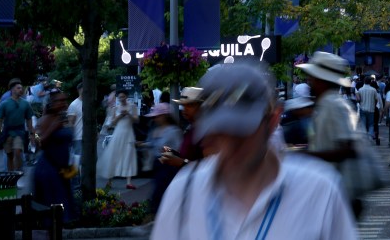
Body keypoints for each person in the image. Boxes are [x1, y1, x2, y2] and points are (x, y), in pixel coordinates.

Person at [151, 62, 356, 240]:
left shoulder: (319, 192)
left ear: (274, 120)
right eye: (218, 132)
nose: (228, 147)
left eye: (241, 132)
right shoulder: (183, 194)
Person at [297, 51, 365, 214]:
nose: (309, 82)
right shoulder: (326, 104)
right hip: (328, 189)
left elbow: (350, 148)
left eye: (312, 77)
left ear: (322, 81)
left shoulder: (333, 105)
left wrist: (308, 156)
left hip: (337, 191)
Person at [32, 88, 78, 223]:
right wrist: (53, 127)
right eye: (60, 101)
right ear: (51, 103)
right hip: (48, 171)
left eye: (65, 100)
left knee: (61, 212)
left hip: (61, 170)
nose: (64, 103)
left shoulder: (61, 118)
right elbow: (38, 143)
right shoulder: (44, 120)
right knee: (52, 214)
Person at [142, 102, 183, 214]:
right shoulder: (155, 130)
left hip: (168, 165)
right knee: (160, 190)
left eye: (157, 116)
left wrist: (165, 150)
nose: (155, 119)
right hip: (158, 164)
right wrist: (142, 144)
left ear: (165, 116)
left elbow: (179, 149)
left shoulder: (173, 131)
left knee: (161, 191)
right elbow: (152, 144)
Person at [97, 90, 138, 189]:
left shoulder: (133, 106)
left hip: (128, 134)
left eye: (123, 97)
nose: (121, 99)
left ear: (126, 97)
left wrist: (128, 114)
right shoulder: (115, 108)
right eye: (120, 97)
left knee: (129, 155)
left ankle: (129, 182)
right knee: (114, 155)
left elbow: (136, 120)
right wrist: (120, 116)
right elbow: (112, 123)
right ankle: (109, 181)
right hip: (118, 134)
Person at [0, 78, 36, 171]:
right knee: (9, 155)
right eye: (18, 88)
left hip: (19, 131)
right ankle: (11, 174)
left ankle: (19, 171)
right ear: (12, 90)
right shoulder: (4, 104)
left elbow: (29, 120)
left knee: (17, 151)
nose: (21, 90)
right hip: (7, 132)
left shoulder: (25, 104)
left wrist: (31, 134)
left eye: (21, 88)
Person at [357, 76, 380, 145]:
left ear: (364, 81)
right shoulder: (373, 90)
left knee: (363, 124)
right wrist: (373, 105)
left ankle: (364, 138)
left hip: (363, 109)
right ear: (370, 82)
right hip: (371, 109)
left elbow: (358, 100)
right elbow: (376, 99)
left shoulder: (360, 90)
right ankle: (370, 137)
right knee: (371, 125)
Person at [66, 83, 84, 169]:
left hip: (89, 137)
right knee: (78, 160)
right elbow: (70, 123)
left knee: (91, 159)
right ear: (79, 90)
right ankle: (77, 179)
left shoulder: (89, 104)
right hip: (78, 136)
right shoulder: (74, 105)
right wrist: (71, 138)